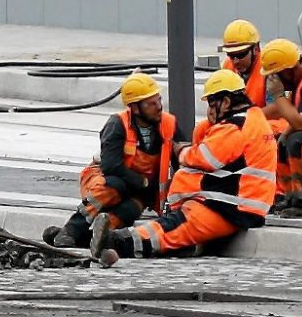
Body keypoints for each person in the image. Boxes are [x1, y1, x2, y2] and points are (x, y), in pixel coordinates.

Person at [102, 70, 276, 259]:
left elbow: (203, 157)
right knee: (175, 229)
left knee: (170, 229)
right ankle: (126, 241)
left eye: (212, 104)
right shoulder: (251, 119)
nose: (210, 110)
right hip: (233, 203)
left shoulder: (235, 126)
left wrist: (181, 151)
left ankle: (117, 242)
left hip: (227, 206)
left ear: (226, 102)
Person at [43, 72, 177, 253]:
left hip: (137, 189)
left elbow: (180, 156)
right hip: (103, 179)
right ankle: (72, 228)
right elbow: (111, 167)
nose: (159, 107)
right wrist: (142, 182)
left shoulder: (168, 124)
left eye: (159, 100)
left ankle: (91, 238)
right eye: (151, 104)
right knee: (115, 186)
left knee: (131, 209)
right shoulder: (117, 124)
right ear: (135, 108)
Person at [259, 38, 302, 218]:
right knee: (281, 142)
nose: (274, 81)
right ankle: (292, 196)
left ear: (288, 70)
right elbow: (293, 113)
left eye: (276, 75)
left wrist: (278, 95)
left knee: (299, 143)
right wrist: (283, 134)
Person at [220, 19, 267, 107]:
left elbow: (278, 108)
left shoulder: (269, 68)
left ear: (256, 49)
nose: (235, 61)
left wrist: (247, 114)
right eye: (231, 55)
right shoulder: (227, 66)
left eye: (240, 54)